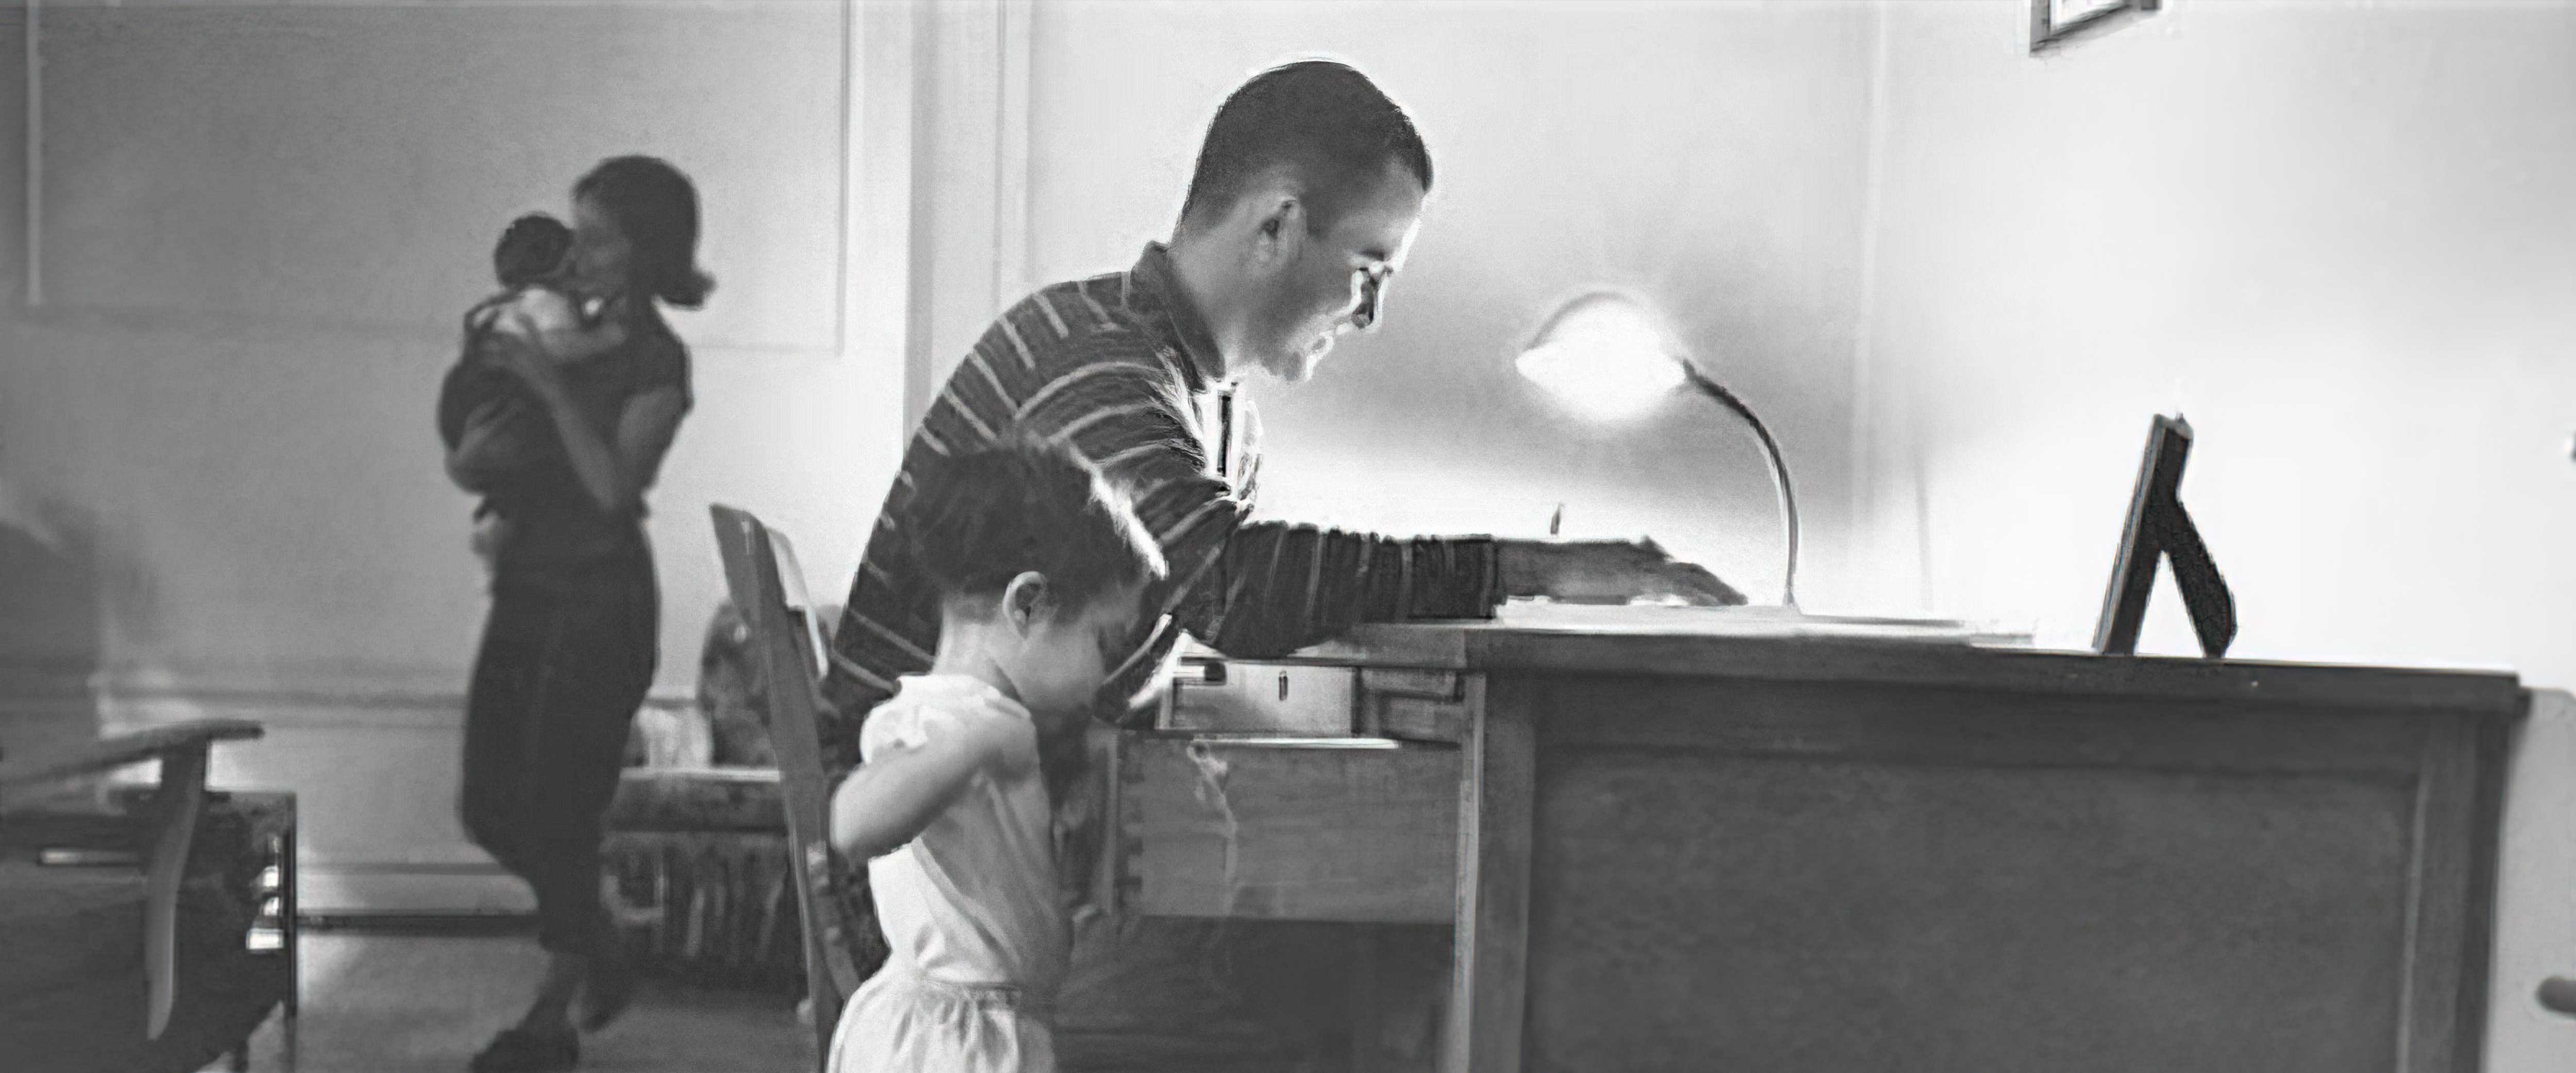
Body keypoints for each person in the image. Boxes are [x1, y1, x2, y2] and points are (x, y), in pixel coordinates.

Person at [814, 58, 1740, 1046]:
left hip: (982, 861)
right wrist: (1533, 568)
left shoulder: (1209, 409)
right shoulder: (1100, 365)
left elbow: (1226, 580)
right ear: (1276, 226)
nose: (1371, 314)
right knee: (1303, 987)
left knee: (1333, 951)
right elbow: (1234, 584)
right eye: (1369, 271)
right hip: (931, 904)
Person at [443, 155, 709, 1073]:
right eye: (579, 231)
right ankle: (599, 936)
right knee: (487, 806)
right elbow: (483, 456)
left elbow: (610, 486)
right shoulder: (553, 328)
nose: (579, 254)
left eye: (599, 237)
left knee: (559, 814)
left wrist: (547, 386)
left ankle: (548, 1022)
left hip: (600, 604)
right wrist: (481, 444)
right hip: (525, 591)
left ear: (645, 250)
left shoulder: (658, 362)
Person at [825, 435, 1164, 1073]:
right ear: (1028, 605)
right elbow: (852, 821)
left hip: (969, 1021)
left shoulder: (974, 716)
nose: (1104, 674)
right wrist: (972, 747)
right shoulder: (964, 724)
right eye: (1103, 641)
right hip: (959, 1041)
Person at [440, 212, 636, 569]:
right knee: (547, 449)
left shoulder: (507, 304)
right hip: (497, 405)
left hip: (470, 409)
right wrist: (604, 340)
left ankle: (500, 518)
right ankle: (504, 521)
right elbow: (551, 347)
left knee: (528, 469)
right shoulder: (546, 302)